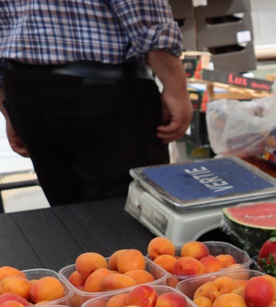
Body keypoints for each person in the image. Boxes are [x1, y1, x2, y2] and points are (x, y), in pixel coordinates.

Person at [0, 0, 192, 206]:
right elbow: (142, 10)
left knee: (69, 212)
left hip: (23, 90)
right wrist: (176, 90)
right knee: (130, 211)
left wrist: (6, 105)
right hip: (103, 91)